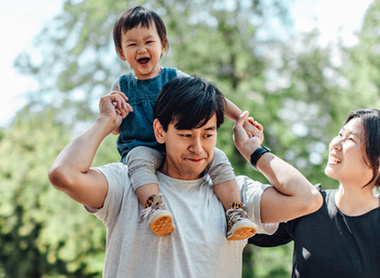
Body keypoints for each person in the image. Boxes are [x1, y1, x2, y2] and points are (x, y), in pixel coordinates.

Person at [48, 76, 322, 277]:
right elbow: (64, 174)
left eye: (208, 134)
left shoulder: (235, 197)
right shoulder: (125, 183)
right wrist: (106, 122)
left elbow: (307, 199)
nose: (198, 147)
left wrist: (253, 151)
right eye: (186, 135)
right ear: (160, 131)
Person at [109, 6, 259, 239]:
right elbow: (115, 127)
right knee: (137, 159)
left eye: (149, 41)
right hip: (142, 148)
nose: (142, 49)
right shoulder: (121, 87)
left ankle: (235, 212)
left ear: (163, 46)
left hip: (178, 147)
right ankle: (154, 208)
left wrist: (241, 118)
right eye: (132, 44)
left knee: (218, 157)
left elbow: (213, 98)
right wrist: (113, 113)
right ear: (121, 52)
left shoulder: (175, 77)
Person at [249, 108, 380, 278]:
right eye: (340, 134)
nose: (336, 144)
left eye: (350, 139)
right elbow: (244, 229)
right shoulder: (310, 204)